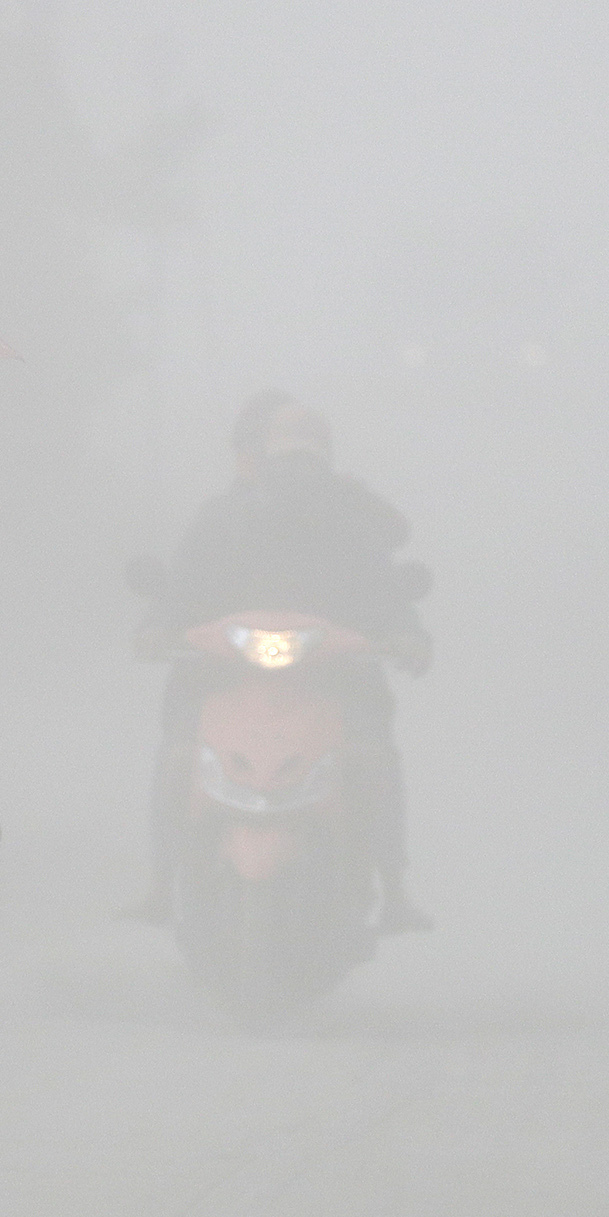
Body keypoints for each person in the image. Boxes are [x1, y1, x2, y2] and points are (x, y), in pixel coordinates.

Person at [131, 388, 432, 931]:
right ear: (264, 458)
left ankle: (395, 891)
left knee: (372, 758)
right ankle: (160, 884)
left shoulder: (353, 520)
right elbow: (182, 584)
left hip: (337, 676)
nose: (297, 470)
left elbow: (386, 592)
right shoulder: (222, 516)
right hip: (227, 672)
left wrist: (405, 634)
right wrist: (158, 625)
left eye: (307, 458)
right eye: (287, 457)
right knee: (178, 755)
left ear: (326, 459)